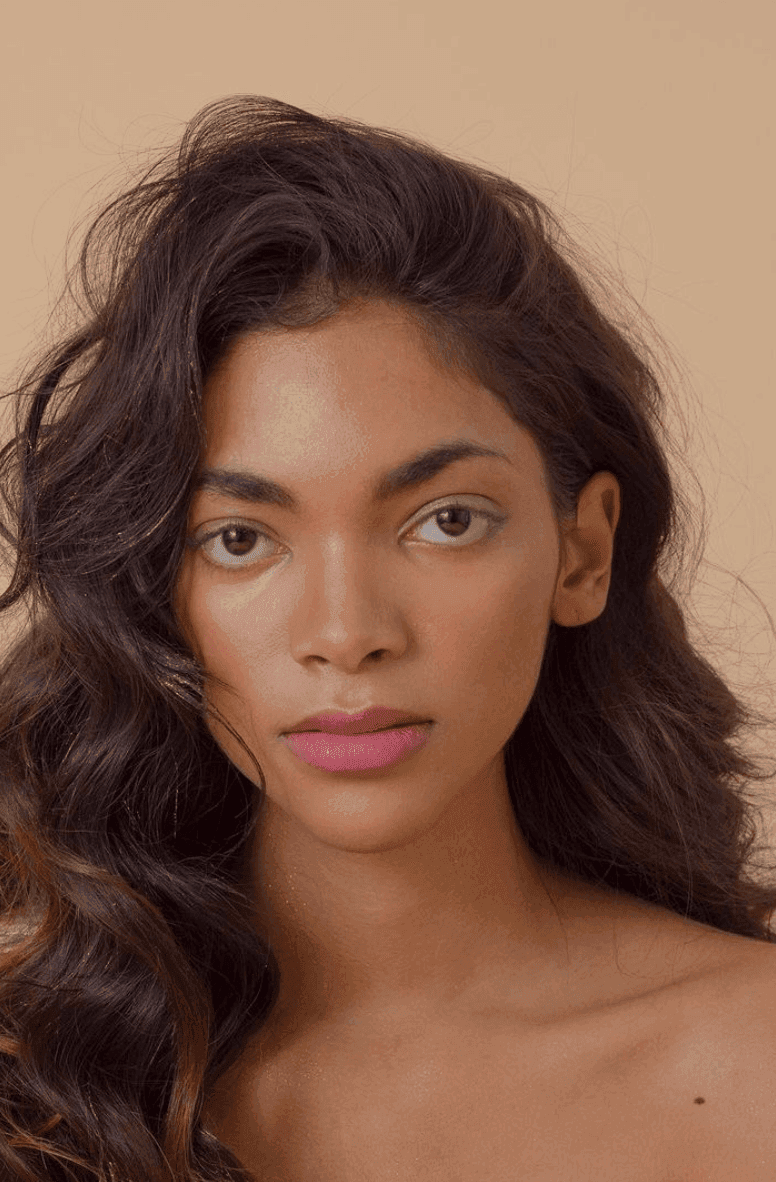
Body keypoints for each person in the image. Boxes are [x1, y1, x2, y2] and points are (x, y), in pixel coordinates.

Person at [1, 95, 775, 1182]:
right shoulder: (34, 1078)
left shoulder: (756, 1068)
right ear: (150, 586)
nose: (345, 633)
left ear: (580, 553)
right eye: (238, 539)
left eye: (442, 521)